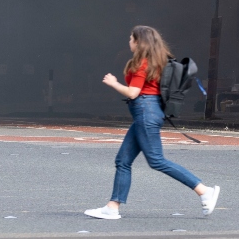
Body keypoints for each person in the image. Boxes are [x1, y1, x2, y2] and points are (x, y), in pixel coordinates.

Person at [84, 26, 221, 220]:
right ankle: (112, 207)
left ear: (139, 41)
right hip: (148, 111)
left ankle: (204, 190)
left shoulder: (142, 63)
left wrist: (114, 82)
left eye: (131, 38)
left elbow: (133, 92)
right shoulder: (158, 60)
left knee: (156, 160)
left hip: (145, 112)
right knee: (123, 161)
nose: (129, 41)